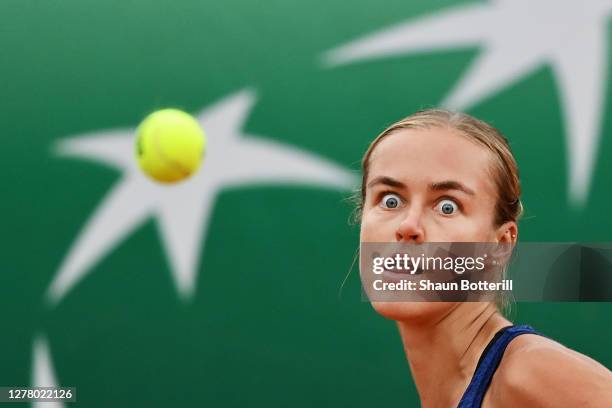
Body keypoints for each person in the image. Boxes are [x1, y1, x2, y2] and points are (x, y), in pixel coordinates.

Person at [356, 109, 612, 407]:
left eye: (447, 206)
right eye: (390, 200)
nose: (408, 226)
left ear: (501, 244)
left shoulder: (530, 372)